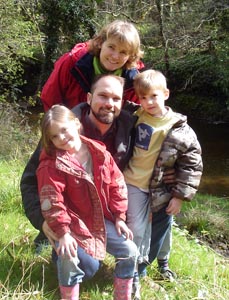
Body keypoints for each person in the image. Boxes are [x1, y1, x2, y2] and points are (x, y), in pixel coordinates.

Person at [36, 104, 138, 300]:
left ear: (76, 124)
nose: (62, 138)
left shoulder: (99, 152)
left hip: (99, 220)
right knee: (69, 255)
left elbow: (117, 185)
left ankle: (122, 295)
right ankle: (68, 294)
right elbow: (52, 200)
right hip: (71, 223)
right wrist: (63, 233)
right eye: (55, 137)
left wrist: (119, 217)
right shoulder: (50, 164)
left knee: (129, 249)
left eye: (64, 130)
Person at [123, 69, 203, 290]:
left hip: (161, 188)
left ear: (166, 94)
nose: (148, 102)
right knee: (136, 229)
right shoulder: (136, 116)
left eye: (154, 96)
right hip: (133, 182)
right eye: (143, 97)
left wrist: (179, 196)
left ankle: (160, 263)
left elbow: (192, 165)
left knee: (163, 226)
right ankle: (133, 272)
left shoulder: (180, 129)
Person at [40, 19, 144, 111]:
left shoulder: (134, 82)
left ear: (131, 56)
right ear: (100, 43)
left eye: (123, 52)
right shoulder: (73, 63)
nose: (115, 56)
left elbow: (137, 118)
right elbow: (51, 99)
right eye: (111, 47)